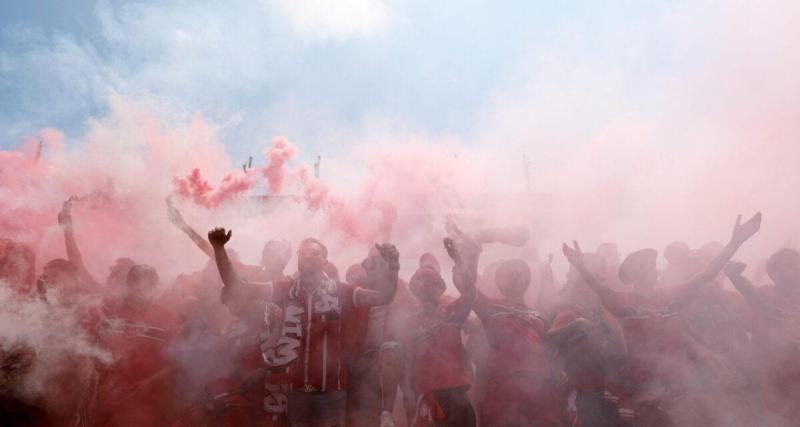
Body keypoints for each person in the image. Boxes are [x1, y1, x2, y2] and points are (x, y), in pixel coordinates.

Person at [562, 212, 761, 427]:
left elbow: (706, 275)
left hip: (680, 386)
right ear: (632, 274)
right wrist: (581, 267)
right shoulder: (622, 301)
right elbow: (599, 289)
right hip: (645, 389)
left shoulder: (672, 296)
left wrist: (735, 242)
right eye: (643, 264)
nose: (650, 266)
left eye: (652, 263)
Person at [209, 227, 399, 427]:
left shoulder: (341, 291)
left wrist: (393, 268)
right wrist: (219, 249)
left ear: (325, 260)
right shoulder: (283, 290)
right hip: (301, 390)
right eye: (303, 253)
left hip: (333, 391)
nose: (307, 257)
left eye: (314, 253)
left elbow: (384, 296)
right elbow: (237, 287)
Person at [474, 257, 561, 427]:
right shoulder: (490, 307)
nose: (515, 276)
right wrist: (466, 257)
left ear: (527, 281)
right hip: (505, 387)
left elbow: (550, 351)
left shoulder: (538, 316)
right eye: (510, 273)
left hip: (541, 386)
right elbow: (467, 287)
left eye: (520, 273)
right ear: (499, 281)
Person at [401, 237, 477, 427]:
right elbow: (407, 361)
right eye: (420, 281)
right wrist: (407, 392)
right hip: (426, 397)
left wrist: (458, 260)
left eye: (431, 281)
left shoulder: (453, 313)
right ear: (413, 288)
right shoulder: (409, 323)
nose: (425, 285)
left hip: (457, 396)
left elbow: (470, 294)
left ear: (440, 288)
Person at [548, 253, 630, 427]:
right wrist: (578, 325)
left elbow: (622, 356)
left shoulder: (610, 317)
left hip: (611, 393)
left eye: (598, 283)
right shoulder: (568, 314)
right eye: (585, 285)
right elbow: (548, 340)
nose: (592, 289)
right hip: (582, 393)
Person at [725, 250, 800, 427]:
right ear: (773, 273)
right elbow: (754, 296)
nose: (796, 267)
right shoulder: (766, 294)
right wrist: (737, 279)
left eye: (797, 262)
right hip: (768, 375)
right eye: (789, 264)